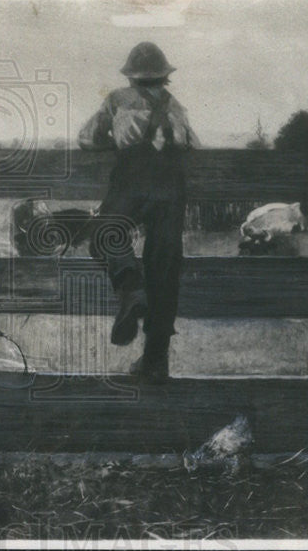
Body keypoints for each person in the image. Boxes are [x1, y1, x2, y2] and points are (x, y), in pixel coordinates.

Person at [78, 42, 199, 382]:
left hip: (132, 179)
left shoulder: (117, 100)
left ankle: (131, 288)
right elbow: (193, 145)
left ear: (131, 77)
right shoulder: (177, 107)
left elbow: (86, 138)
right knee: (165, 268)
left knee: (104, 235)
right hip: (171, 189)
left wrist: (112, 140)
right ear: (164, 77)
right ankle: (155, 362)